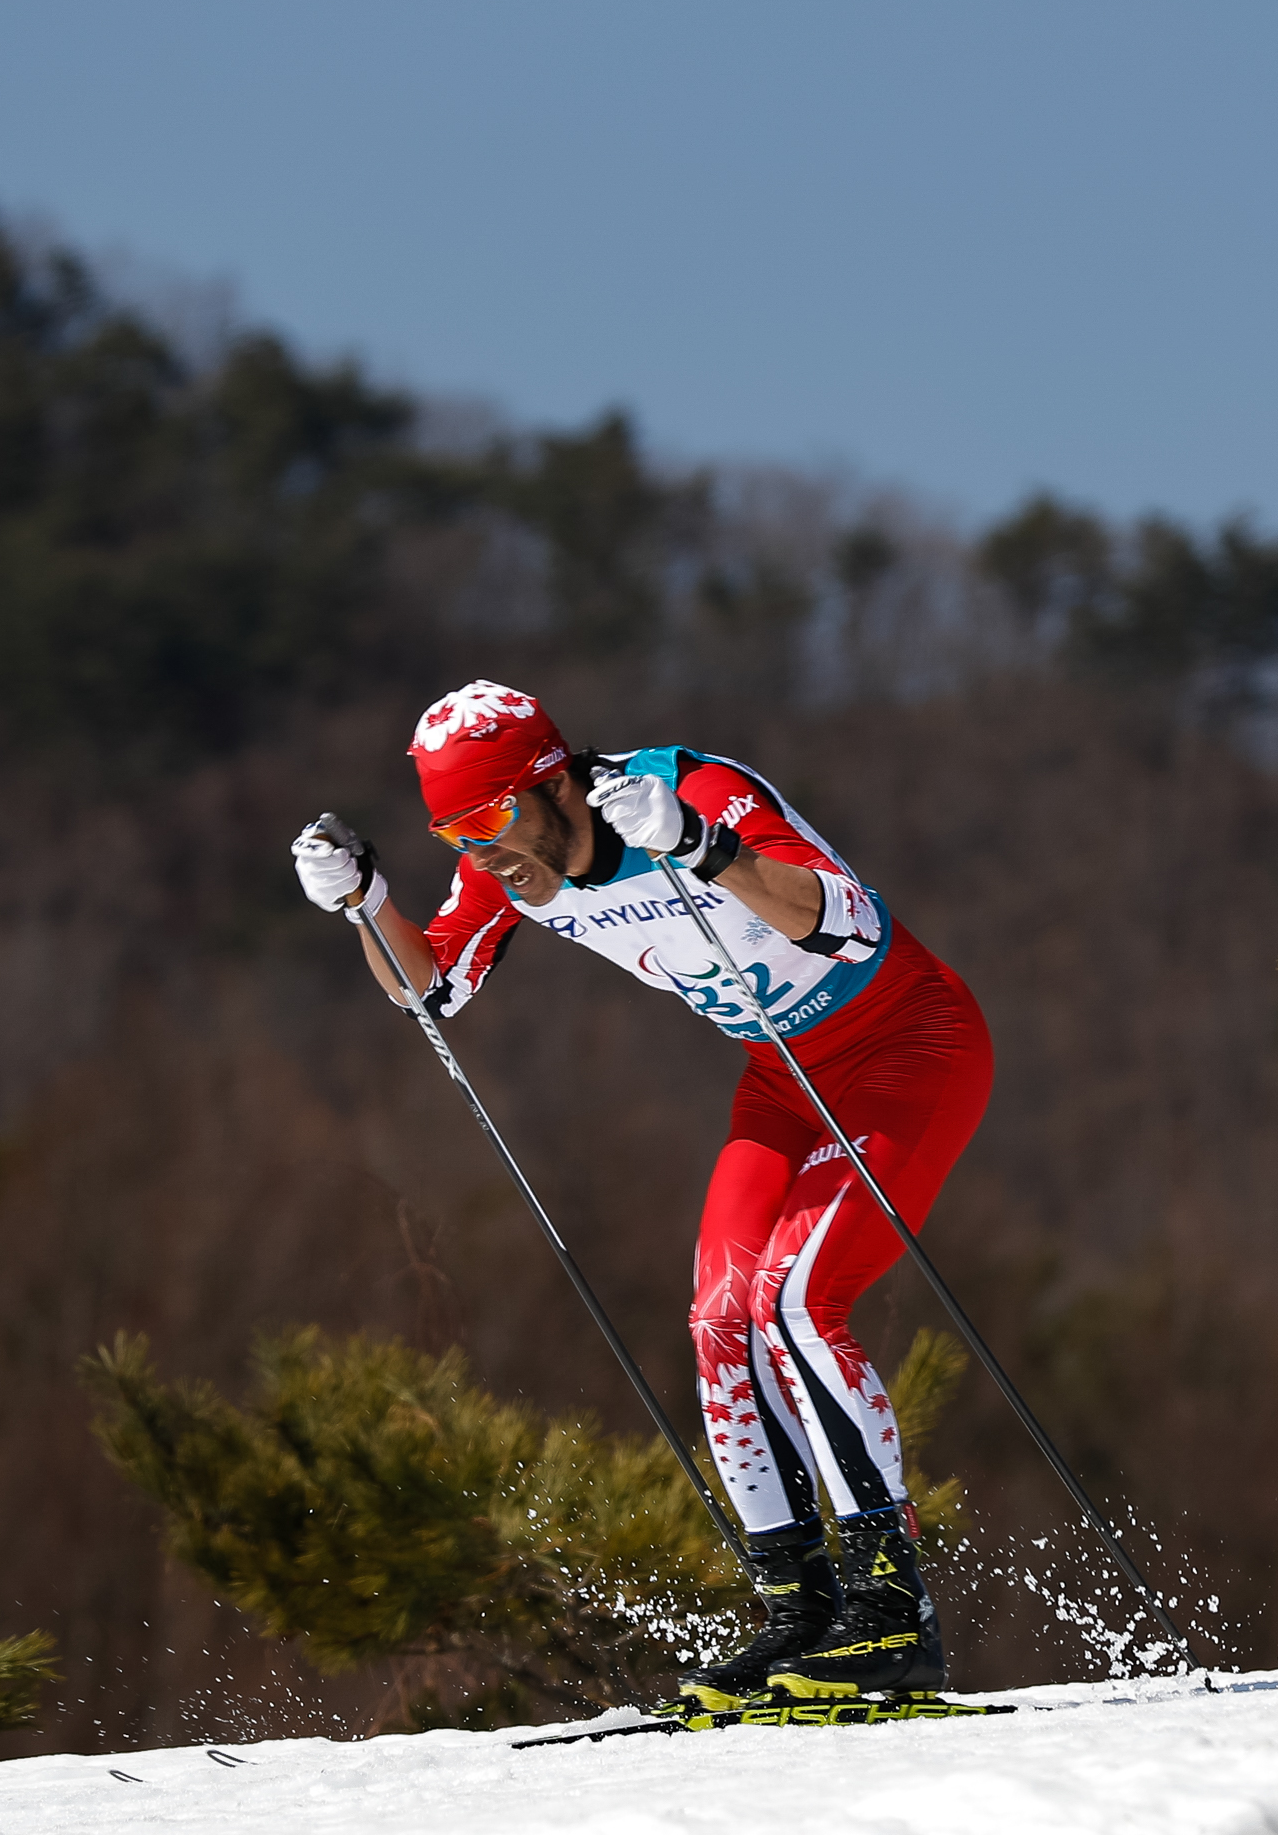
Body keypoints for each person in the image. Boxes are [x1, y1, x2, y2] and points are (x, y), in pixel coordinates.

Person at [288, 679, 993, 1716]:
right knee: (718, 1319)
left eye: (486, 818)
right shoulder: (511, 867)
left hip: (906, 1046)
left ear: (550, 780)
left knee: (795, 1301)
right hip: (781, 1071)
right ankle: (798, 1611)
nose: (478, 849)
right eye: (452, 830)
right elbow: (431, 987)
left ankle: (893, 1616)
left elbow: (847, 920)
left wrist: (708, 850)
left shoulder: (690, 790)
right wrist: (365, 902)